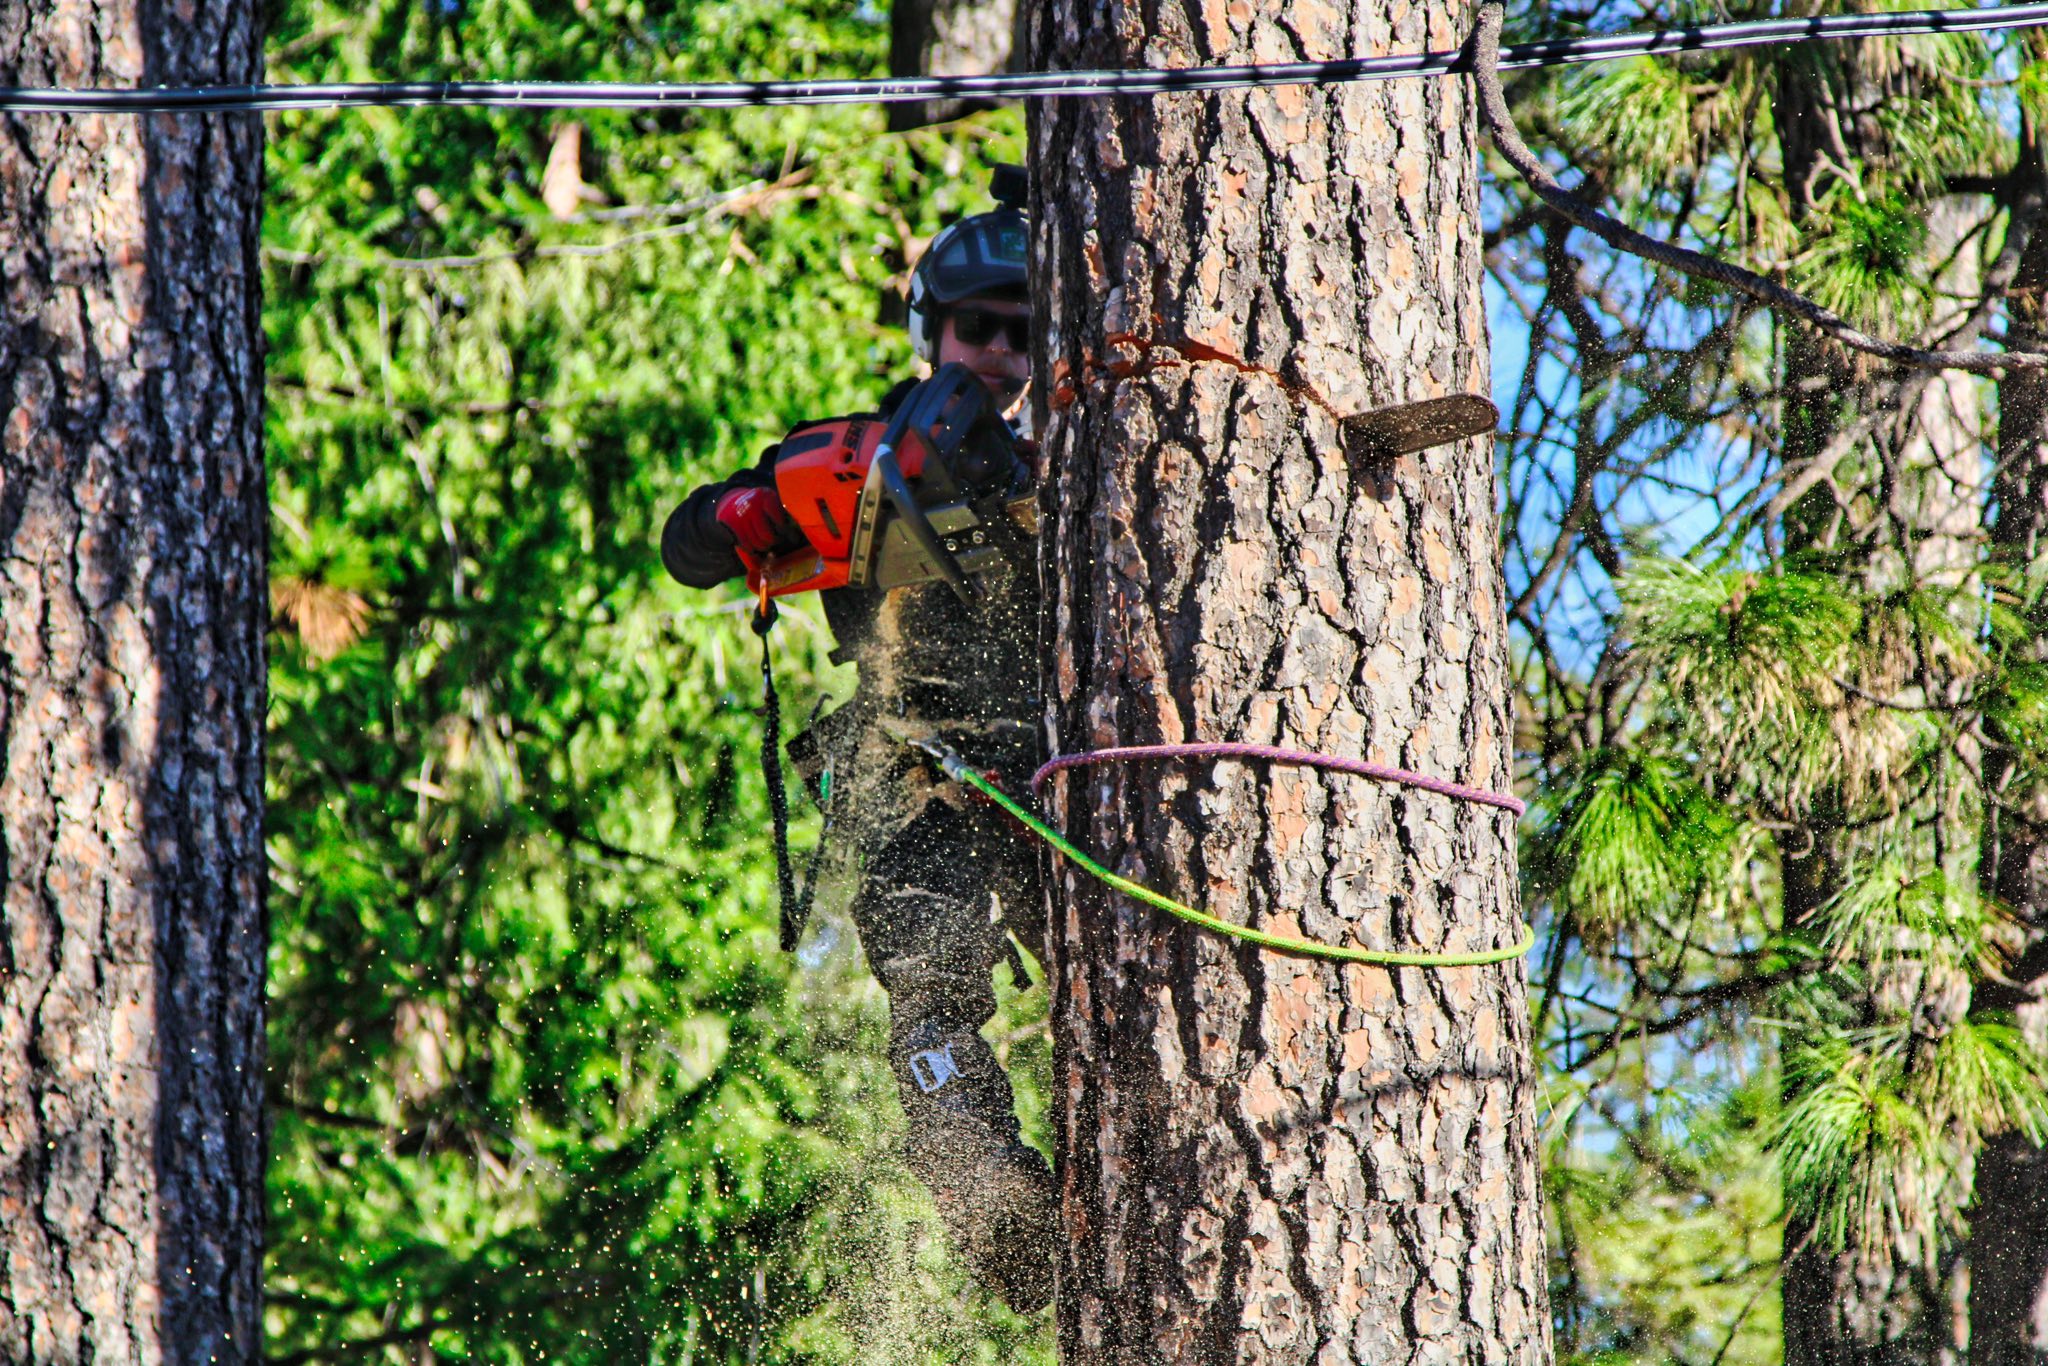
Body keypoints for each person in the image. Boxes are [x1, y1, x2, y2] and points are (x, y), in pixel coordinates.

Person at [659, 182, 1055, 1312]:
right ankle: (987, 1193)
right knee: (929, 986)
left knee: (1106, 968)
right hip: (916, 772)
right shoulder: (855, 460)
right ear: (929, 328)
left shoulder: (1082, 458)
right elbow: (692, 540)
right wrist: (741, 517)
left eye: (1023, 336)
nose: (998, 354)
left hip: (1059, 775)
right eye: (978, 328)